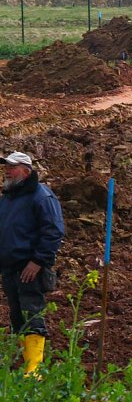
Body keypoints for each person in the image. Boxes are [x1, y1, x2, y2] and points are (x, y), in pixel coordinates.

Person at [0, 152, 64, 376]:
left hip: (29, 268)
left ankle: (34, 371)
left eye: (12, 167)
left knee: (32, 314)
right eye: (6, 167)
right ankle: (25, 365)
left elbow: (53, 231)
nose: (6, 171)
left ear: (26, 171)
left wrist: (38, 261)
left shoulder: (41, 195)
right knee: (17, 317)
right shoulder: (9, 197)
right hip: (9, 267)